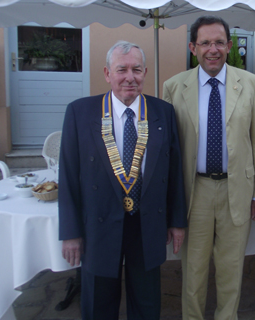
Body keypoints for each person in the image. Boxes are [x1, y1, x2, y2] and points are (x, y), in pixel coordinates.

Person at [58, 40, 187, 319]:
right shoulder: (80, 113)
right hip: (99, 225)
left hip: (147, 223)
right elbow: (67, 176)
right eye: (122, 69)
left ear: (145, 72)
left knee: (147, 304)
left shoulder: (163, 112)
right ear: (107, 73)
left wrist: (177, 222)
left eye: (136, 69)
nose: (130, 77)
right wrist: (70, 232)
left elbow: (174, 172)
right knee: (98, 305)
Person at [162, 16, 255, 320]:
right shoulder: (174, 86)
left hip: (238, 189)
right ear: (193, 47)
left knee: (231, 270)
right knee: (192, 271)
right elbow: (166, 152)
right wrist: (170, 202)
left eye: (219, 42)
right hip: (194, 191)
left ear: (230, 46)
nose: (213, 49)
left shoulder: (250, 84)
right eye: (205, 42)